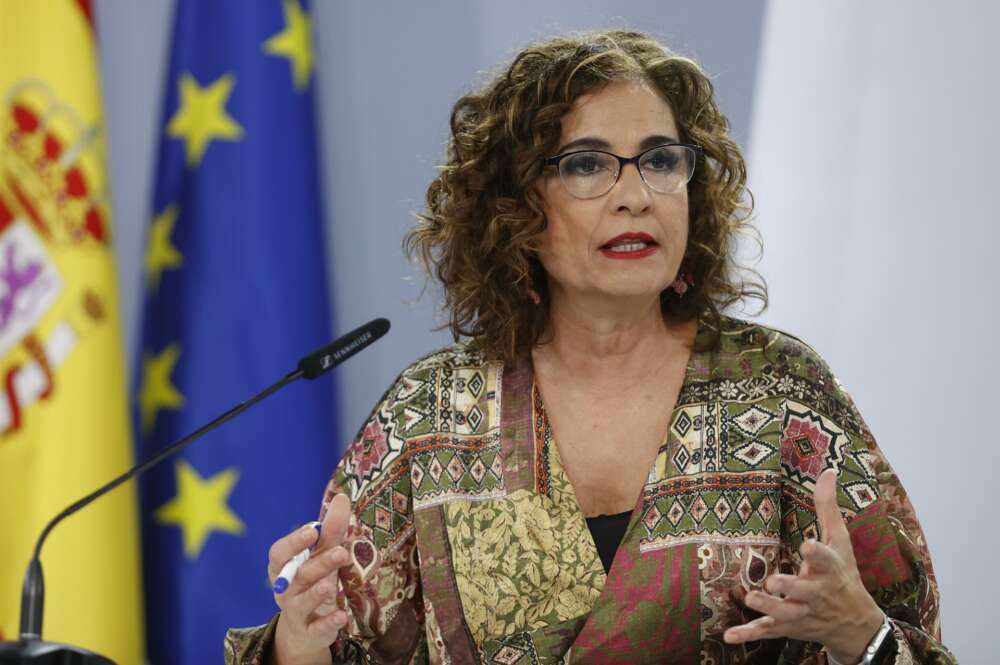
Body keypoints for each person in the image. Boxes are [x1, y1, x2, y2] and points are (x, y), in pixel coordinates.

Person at [225, 31, 955, 665]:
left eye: (661, 160)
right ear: (519, 207)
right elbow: (337, 646)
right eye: (586, 164)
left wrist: (857, 633)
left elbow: (910, 642)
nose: (635, 195)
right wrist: (301, 637)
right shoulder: (430, 417)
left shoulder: (785, 395)